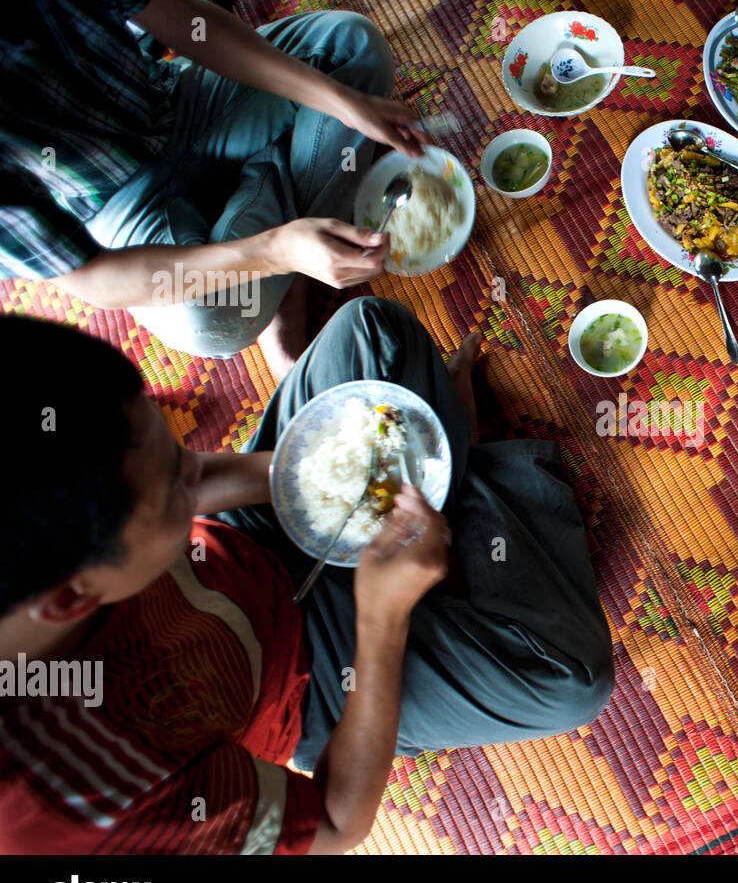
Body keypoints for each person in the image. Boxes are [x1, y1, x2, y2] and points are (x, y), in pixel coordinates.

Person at [0, 302, 613, 854]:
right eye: (171, 482)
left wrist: (334, 474)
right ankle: (457, 486)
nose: (194, 468)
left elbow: (195, 483)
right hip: (309, 687)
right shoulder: (82, 802)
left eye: (175, 450)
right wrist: (381, 620)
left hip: (244, 541)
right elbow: (335, 824)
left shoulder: (69, 539)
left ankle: (450, 489)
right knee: (572, 681)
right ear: (71, 596)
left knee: (373, 335)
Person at [1, 0, 431, 378]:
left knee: (353, 46)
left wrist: (342, 103)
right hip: (113, 202)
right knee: (210, 320)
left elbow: (191, 25)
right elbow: (91, 278)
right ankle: (283, 227)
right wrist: (274, 253)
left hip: (173, 101)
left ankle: (283, 264)